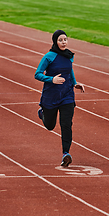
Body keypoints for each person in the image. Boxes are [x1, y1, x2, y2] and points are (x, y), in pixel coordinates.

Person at [35, 30, 85, 167]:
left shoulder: (69, 55)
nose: (63, 42)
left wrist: (75, 83)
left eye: (65, 39)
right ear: (55, 42)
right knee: (50, 126)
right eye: (60, 40)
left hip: (67, 95)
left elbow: (70, 70)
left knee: (66, 124)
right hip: (51, 96)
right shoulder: (49, 57)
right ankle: (42, 113)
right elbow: (37, 74)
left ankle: (66, 154)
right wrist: (52, 79)